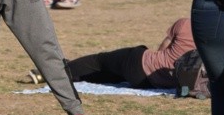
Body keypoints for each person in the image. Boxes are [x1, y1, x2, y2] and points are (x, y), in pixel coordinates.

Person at [57, 18, 194, 88]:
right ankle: (76, 75)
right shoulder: (215, 40)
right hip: (148, 84)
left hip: (141, 64)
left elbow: (162, 49)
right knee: (114, 74)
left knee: (99, 61)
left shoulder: (186, 23)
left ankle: (59, 72)